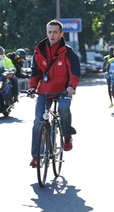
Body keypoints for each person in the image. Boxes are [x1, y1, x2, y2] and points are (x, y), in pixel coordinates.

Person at [27, 20, 80, 167]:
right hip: (44, 91)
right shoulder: (39, 51)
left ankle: (67, 135)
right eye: (49, 32)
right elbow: (35, 73)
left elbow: (75, 72)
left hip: (63, 90)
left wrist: (71, 87)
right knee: (38, 121)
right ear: (47, 33)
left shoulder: (68, 52)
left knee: (63, 108)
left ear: (61, 34)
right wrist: (32, 87)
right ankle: (36, 156)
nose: (52, 35)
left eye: (55, 32)